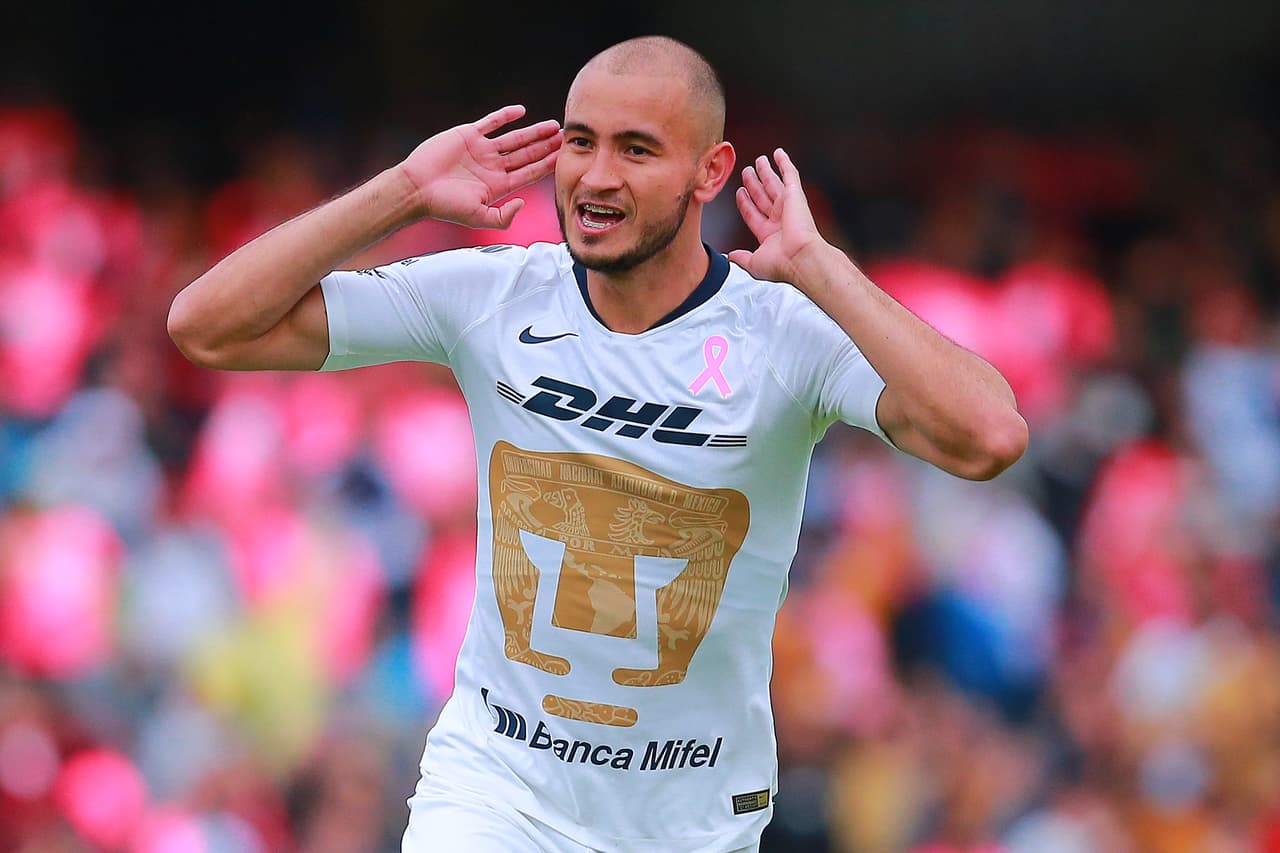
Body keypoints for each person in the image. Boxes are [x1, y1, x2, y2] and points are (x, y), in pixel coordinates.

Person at [169, 35, 1027, 853]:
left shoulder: (784, 332)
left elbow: (989, 435)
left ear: (711, 171)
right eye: (580, 142)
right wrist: (401, 190)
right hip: (494, 791)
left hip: (688, 821)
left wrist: (821, 266)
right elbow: (207, 327)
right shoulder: (495, 294)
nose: (596, 176)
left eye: (637, 149)